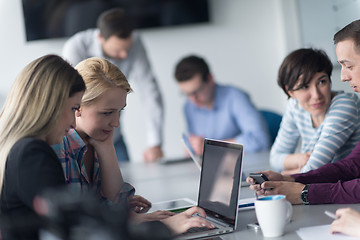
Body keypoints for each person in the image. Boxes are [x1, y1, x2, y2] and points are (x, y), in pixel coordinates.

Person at [247, 19, 360, 206]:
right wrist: (293, 181)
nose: (343, 76)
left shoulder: (345, 104)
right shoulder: (295, 106)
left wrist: (305, 192)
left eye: (349, 66)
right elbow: (354, 165)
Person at [0, 54, 86, 240]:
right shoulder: (32, 154)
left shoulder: (15, 149)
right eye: (73, 108)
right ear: (51, 103)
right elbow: (72, 228)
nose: (73, 123)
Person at [62, 8, 164, 162]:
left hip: (113, 136)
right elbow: (72, 97)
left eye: (127, 50)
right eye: (118, 50)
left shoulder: (135, 42)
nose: (124, 55)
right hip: (79, 135)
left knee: (124, 181)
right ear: (100, 37)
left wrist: (155, 142)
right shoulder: (76, 47)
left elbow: (150, 92)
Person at [270, 48, 360, 175]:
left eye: (322, 82)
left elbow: (313, 170)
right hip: (318, 185)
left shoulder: (345, 105)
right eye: (305, 87)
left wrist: (286, 174)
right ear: (291, 92)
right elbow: (275, 158)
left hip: (345, 187)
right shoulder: (294, 106)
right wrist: (299, 159)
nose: (316, 95)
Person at [174, 55, 271, 156]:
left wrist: (212, 147)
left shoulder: (235, 97)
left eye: (197, 91)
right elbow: (197, 147)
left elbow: (260, 140)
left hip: (243, 166)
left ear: (210, 79)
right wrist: (192, 149)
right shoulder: (188, 107)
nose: (193, 99)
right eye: (187, 94)